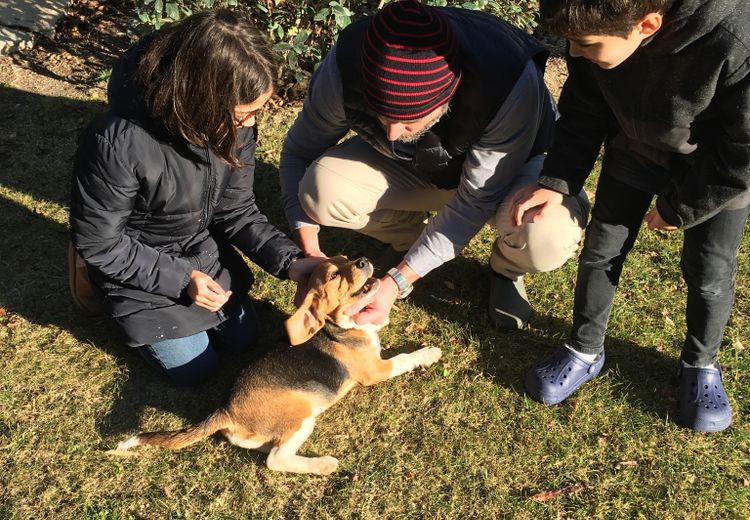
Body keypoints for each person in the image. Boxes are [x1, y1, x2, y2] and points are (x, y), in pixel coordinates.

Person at [279, 0, 589, 329]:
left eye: (408, 122)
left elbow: (475, 200)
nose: (392, 133)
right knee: (320, 190)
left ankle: (507, 269)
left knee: (546, 230)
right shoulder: (344, 67)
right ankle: (407, 242)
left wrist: (396, 282)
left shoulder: (505, 82)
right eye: (381, 115)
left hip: (512, 173)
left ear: (448, 97)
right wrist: (310, 250)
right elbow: (298, 153)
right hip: (423, 166)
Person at [516, 0, 749, 432]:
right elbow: (585, 107)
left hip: (713, 173)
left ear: (648, 25)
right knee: (601, 251)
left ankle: (700, 363)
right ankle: (585, 350)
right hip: (634, 151)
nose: (574, 52)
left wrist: (682, 207)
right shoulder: (589, 25)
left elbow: (744, 148)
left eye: (585, 45)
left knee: (710, 271)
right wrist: (558, 180)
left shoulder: (736, 38)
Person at [69, 10, 324, 386]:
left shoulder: (231, 125)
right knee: (195, 372)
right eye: (243, 115)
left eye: (256, 113)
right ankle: (92, 282)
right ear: (199, 98)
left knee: (243, 339)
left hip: (198, 247)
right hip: (136, 261)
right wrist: (182, 280)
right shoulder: (117, 140)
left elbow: (236, 210)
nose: (250, 125)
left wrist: (289, 262)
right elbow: (102, 242)